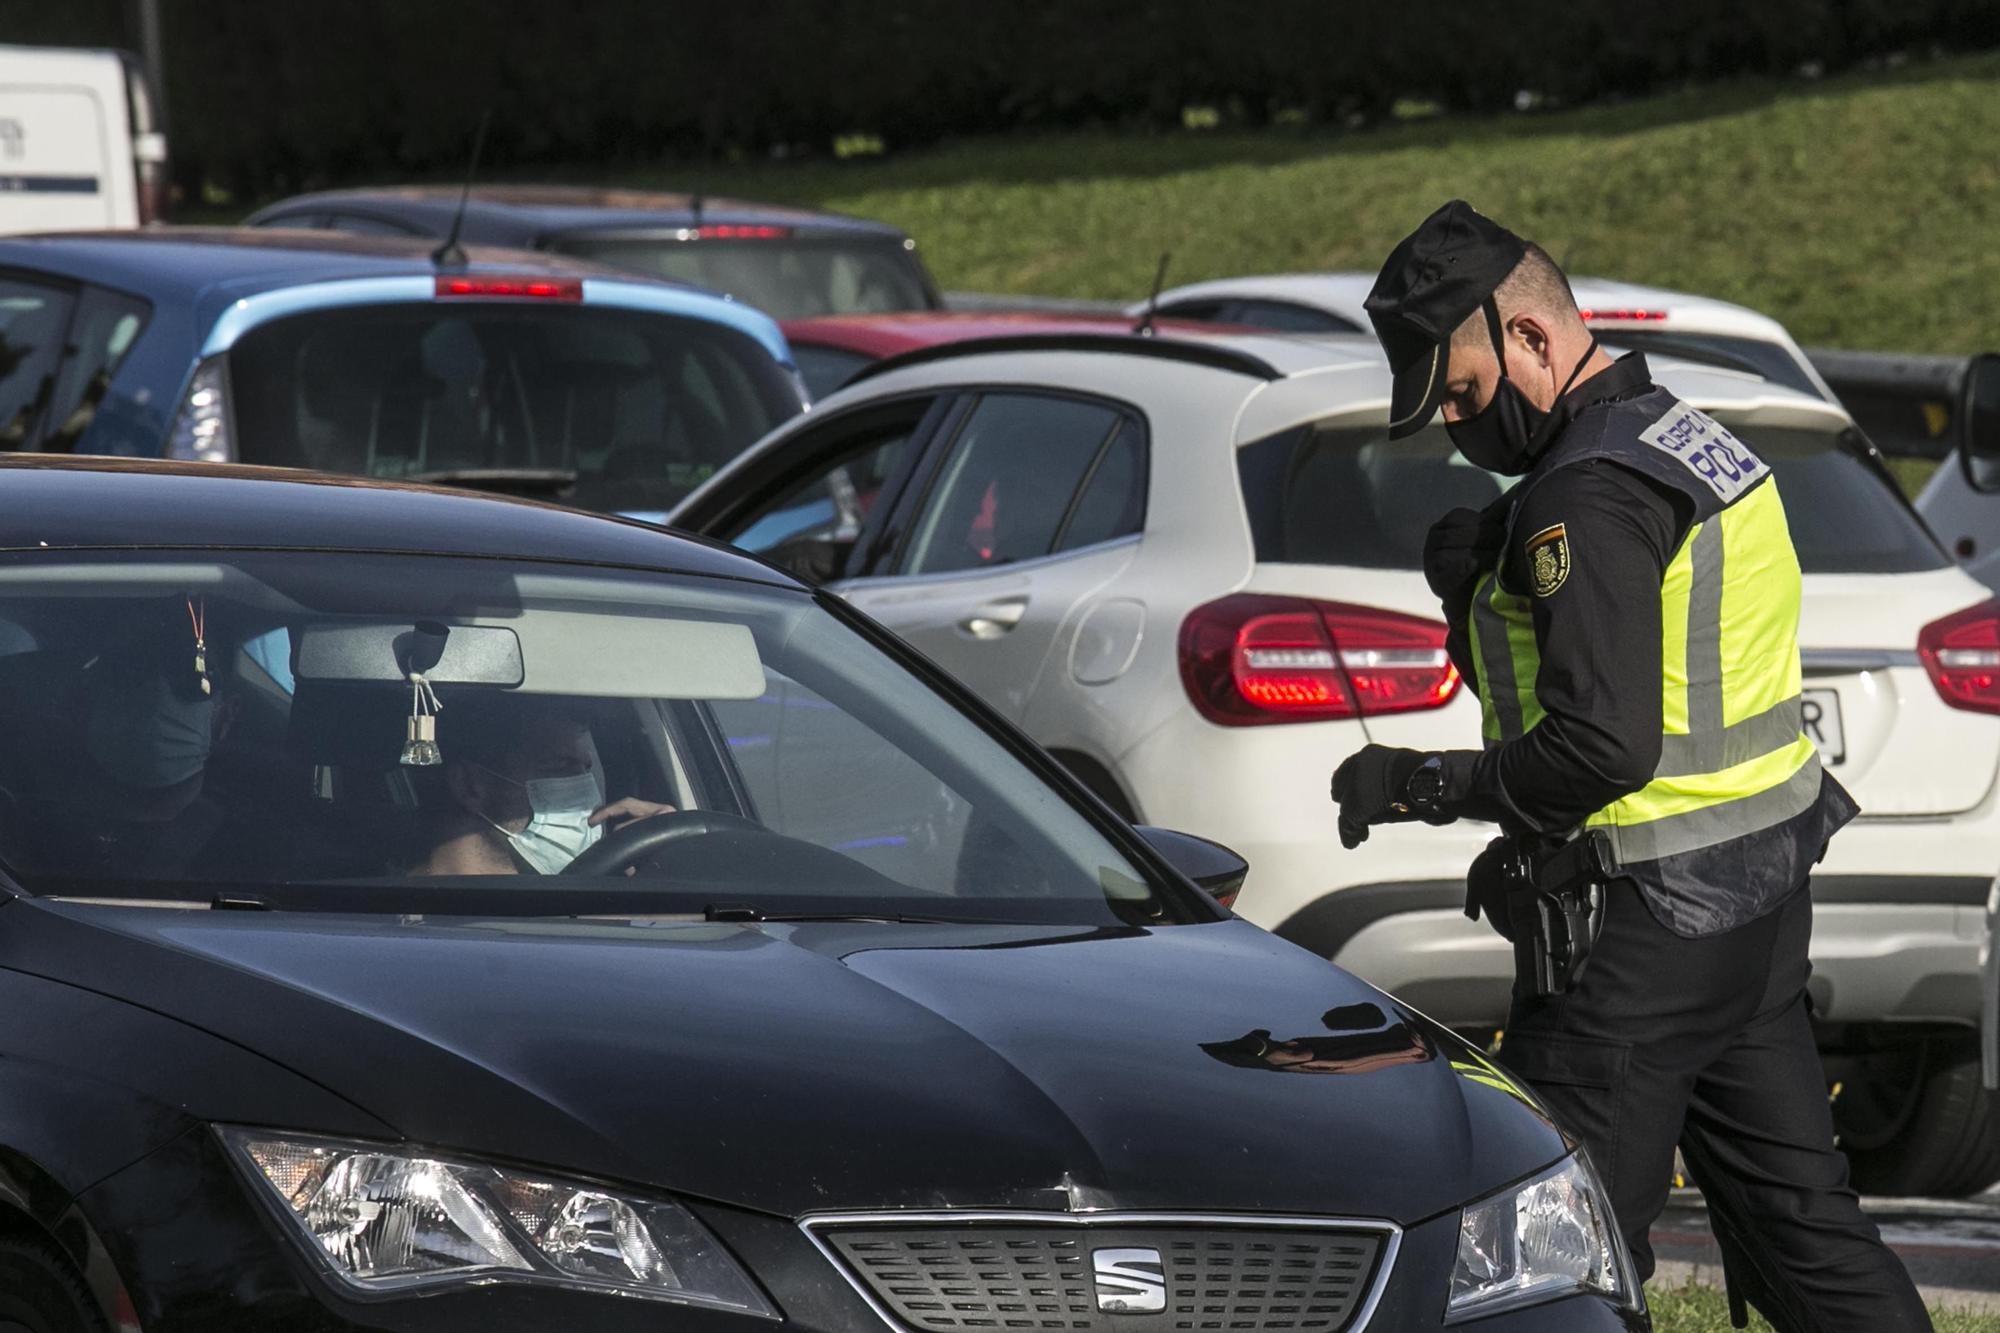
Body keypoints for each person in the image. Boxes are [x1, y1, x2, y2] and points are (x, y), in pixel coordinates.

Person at [1331, 200, 1931, 1332]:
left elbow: (1603, 744)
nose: (1459, 429)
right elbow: (1664, 668)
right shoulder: (1683, 438)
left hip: (1637, 937)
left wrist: (1421, 784)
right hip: (1751, 908)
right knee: (1805, 1228)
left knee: (1545, 1253)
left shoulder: (1581, 494)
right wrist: (1479, 599)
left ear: (1531, 340)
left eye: (1461, 394)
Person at [415, 695, 674, 876]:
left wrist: (672, 860)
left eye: (586, 770)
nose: (586, 790)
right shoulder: (397, 915)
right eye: (559, 767)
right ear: (470, 786)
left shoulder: (601, 896)